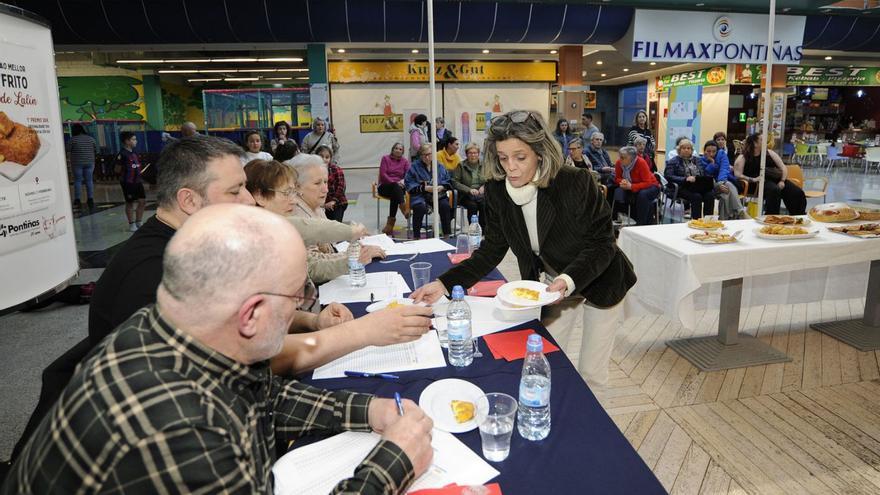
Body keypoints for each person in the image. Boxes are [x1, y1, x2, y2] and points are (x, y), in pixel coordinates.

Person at [2, 204, 435, 494]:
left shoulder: (165, 327)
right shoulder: (181, 432)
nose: (302, 309)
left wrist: (365, 411)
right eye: (294, 300)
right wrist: (391, 464)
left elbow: (262, 393)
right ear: (250, 315)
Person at [411, 110, 636, 388]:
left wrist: (567, 280)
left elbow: (603, 243)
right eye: (503, 158)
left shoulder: (576, 181)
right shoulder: (497, 190)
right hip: (553, 282)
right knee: (546, 358)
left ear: (540, 153)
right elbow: (492, 249)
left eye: (520, 157)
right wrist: (445, 283)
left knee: (591, 372)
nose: (511, 168)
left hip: (601, 277)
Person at [288, 153, 385, 263]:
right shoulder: (297, 213)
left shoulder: (316, 207)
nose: (326, 190)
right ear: (297, 187)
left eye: (325, 182)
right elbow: (314, 265)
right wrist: (354, 256)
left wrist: (350, 237)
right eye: (317, 183)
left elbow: (328, 245)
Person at [733, 133, 807, 215]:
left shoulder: (770, 153)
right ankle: (771, 217)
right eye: (761, 139)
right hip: (757, 183)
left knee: (797, 192)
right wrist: (753, 179)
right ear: (755, 143)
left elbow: (783, 167)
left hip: (776, 179)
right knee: (774, 190)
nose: (764, 141)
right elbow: (737, 174)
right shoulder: (743, 157)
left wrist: (782, 181)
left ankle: (798, 216)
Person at [405, 143, 453, 238]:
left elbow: (448, 180)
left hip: (437, 195)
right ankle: (416, 236)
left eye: (429, 154)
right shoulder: (414, 167)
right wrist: (425, 188)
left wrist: (442, 187)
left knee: (445, 206)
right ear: (420, 155)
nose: (427, 157)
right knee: (419, 207)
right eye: (424, 155)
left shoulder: (439, 166)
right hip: (420, 195)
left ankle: (447, 235)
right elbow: (409, 183)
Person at [664, 138, 715, 219]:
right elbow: (668, 176)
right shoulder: (673, 161)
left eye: (688, 148)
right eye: (684, 148)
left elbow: (703, 173)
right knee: (697, 197)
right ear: (679, 150)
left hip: (697, 185)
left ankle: (708, 221)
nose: (686, 150)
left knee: (710, 195)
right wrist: (685, 179)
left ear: (691, 150)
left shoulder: (697, 160)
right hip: (682, 187)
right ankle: (697, 221)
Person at [613, 146, 660, 226]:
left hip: (651, 186)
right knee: (616, 191)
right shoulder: (619, 163)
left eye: (623, 157)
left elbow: (647, 182)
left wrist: (631, 186)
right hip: (631, 186)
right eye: (620, 157)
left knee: (642, 195)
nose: (620, 159)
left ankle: (641, 223)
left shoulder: (641, 162)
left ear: (631, 158)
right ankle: (616, 218)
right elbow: (617, 178)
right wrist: (622, 181)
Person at [701, 140, 747, 220]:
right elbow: (705, 177)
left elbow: (724, 169)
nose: (711, 154)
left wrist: (721, 182)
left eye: (714, 151)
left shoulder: (722, 154)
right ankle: (739, 212)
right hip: (710, 186)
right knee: (728, 186)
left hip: (723, 181)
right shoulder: (700, 160)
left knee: (725, 193)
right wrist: (712, 163)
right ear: (704, 151)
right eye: (708, 151)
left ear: (717, 151)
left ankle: (723, 219)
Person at [378, 142, 411, 235]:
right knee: (395, 188)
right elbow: (383, 174)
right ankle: (404, 207)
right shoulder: (385, 158)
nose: (398, 150)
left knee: (395, 194)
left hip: (399, 188)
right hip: (385, 186)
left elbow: (408, 175)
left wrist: (402, 181)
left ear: (403, 152)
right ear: (392, 149)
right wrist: (395, 182)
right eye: (396, 148)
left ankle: (389, 226)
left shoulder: (405, 161)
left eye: (400, 149)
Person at [451, 142, 486, 230]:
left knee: (484, 204)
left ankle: (484, 231)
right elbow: (455, 182)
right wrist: (469, 190)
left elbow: (491, 179)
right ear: (466, 154)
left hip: (481, 194)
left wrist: (484, 186)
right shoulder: (461, 166)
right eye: (470, 153)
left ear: (478, 154)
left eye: (475, 153)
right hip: (466, 195)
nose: (473, 155)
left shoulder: (484, 165)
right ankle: (473, 230)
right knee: (472, 205)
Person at [116, 131, 146, 232]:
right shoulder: (122, 154)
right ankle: (131, 224)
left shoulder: (135, 152)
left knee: (142, 201)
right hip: (128, 182)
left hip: (138, 181)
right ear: (127, 141)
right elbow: (117, 169)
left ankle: (139, 221)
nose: (136, 141)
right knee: (130, 202)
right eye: (133, 139)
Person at [67, 123, 97, 212]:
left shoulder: (72, 140)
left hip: (77, 163)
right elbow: (95, 150)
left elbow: (68, 150)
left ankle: (77, 200)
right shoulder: (91, 139)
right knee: (89, 180)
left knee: (78, 181)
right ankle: (90, 199)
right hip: (90, 162)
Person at [316, 144, 348, 222]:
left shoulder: (336, 169)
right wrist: (322, 205)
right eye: (321, 157)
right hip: (321, 204)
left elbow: (341, 187)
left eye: (327, 157)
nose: (324, 159)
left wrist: (333, 201)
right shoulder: (314, 171)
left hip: (337, 203)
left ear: (330, 158)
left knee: (335, 225)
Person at [584, 132, 616, 200]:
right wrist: (602, 169)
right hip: (597, 174)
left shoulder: (604, 151)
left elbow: (610, 164)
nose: (599, 142)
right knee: (614, 180)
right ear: (592, 141)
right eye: (597, 139)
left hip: (608, 173)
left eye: (601, 140)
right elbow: (588, 167)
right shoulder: (586, 151)